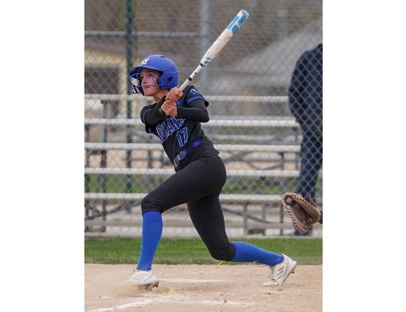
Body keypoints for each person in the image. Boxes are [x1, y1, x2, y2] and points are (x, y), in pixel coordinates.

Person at [126, 54, 297, 288]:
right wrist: (165, 107)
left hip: (206, 165)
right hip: (191, 171)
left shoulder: (188, 94)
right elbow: (155, 116)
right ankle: (279, 262)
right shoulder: (146, 112)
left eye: (149, 76)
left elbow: (202, 115)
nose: (143, 80)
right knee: (220, 249)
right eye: (142, 76)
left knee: (151, 203)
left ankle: (143, 270)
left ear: (165, 78)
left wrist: (178, 109)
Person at [288, 44, 323, 236]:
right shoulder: (309, 58)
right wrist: (307, 122)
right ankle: (303, 229)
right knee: (307, 181)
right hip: (314, 133)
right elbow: (295, 93)